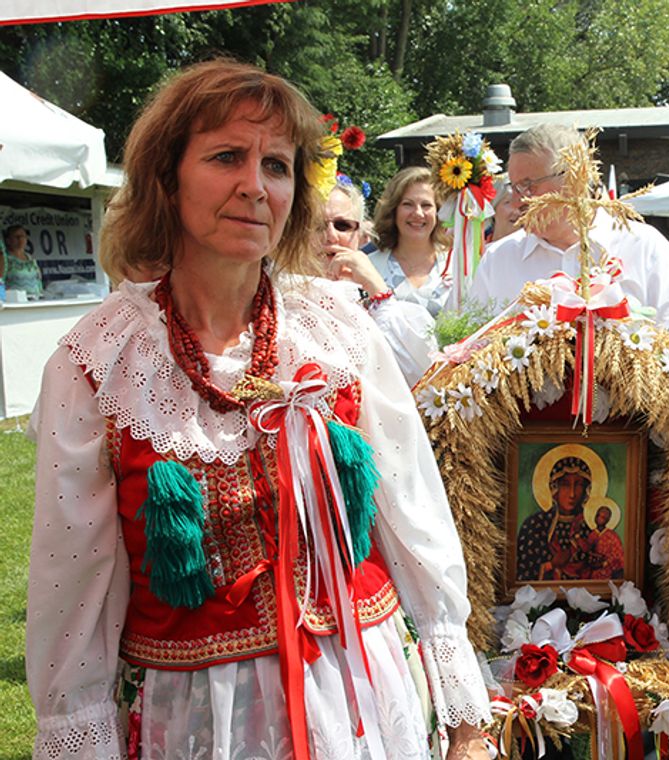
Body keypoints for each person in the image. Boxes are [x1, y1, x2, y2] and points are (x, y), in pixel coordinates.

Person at [26, 60, 490, 760]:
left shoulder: (335, 330)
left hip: (362, 701)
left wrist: (466, 724)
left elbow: (414, 517)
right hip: (204, 721)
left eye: (276, 164)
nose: (254, 184)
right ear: (165, 178)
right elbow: (72, 591)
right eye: (225, 157)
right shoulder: (100, 364)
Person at [469, 124, 669, 323]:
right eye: (515, 187)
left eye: (528, 185)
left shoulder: (645, 248)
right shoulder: (497, 260)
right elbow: (470, 351)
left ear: (575, 177)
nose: (518, 201)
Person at [321, 179, 438, 385]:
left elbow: (425, 376)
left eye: (342, 226)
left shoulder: (387, 303)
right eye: (317, 225)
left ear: (358, 235)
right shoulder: (280, 299)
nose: (331, 236)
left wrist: (378, 290)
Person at [368, 166, 452, 316]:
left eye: (426, 205)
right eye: (408, 204)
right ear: (393, 210)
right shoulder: (370, 266)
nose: (418, 213)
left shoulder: (455, 266)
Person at [516, 456, 593, 581]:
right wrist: (551, 565)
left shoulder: (589, 527)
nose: (572, 494)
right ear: (554, 489)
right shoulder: (535, 526)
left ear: (586, 490)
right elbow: (524, 575)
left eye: (578, 485)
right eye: (565, 485)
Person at [578, 501, 624, 580]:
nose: (599, 518)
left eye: (603, 517)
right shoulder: (592, 534)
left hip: (606, 572)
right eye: (598, 515)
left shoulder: (612, 536)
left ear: (608, 520)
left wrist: (603, 564)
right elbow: (586, 549)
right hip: (591, 570)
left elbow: (618, 555)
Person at [3, 224, 44, 297]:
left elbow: (38, 281)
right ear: (8, 240)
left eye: (23, 236)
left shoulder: (30, 258)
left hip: (35, 301)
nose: (21, 239)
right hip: (15, 303)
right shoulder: (4, 259)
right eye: (17, 237)